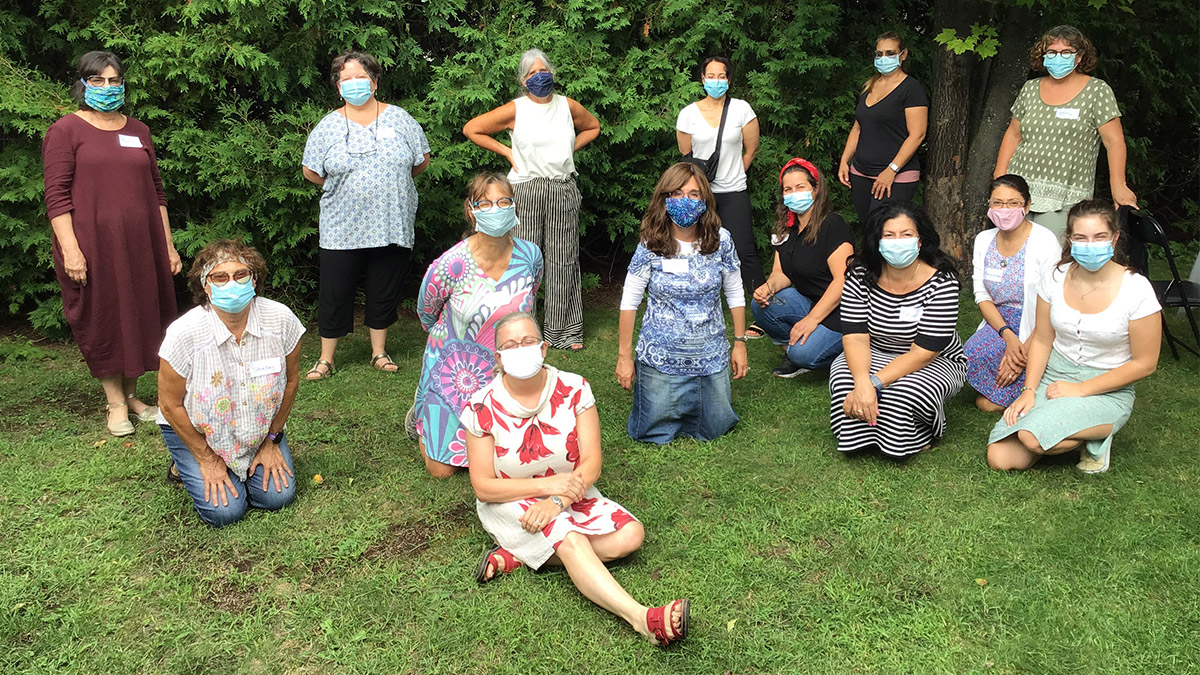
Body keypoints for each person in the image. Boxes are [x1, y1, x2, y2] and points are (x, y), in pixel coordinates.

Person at [463, 311, 689, 647]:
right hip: (512, 499)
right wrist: (546, 488)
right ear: (498, 357)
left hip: (572, 492)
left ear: (543, 349)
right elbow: (483, 485)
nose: (520, 349)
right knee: (569, 537)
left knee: (631, 536)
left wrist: (558, 500)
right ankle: (642, 619)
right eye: (510, 345)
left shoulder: (574, 388)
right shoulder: (481, 405)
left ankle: (521, 553)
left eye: (527, 341)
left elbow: (592, 463)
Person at [42, 50, 182, 438]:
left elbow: (157, 192)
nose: (107, 87)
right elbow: (56, 196)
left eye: (114, 80)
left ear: (123, 84)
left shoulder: (138, 130)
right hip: (93, 245)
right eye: (98, 80)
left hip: (142, 243)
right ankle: (115, 404)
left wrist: (167, 245)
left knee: (138, 314)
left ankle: (134, 396)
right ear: (83, 84)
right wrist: (71, 249)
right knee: (103, 316)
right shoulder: (66, 131)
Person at [987, 200, 1161, 473]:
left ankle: (1096, 434)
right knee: (1001, 457)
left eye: (1099, 237)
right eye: (1081, 238)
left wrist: (1079, 390)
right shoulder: (1055, 277)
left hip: (1107, 388)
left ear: (1115, 238)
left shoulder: (1137, 289)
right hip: (1054, 378)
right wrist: (1029, 391)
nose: (1090, 245)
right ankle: (1064, 431)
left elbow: (1145, 363)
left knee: (1030, 438)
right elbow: (1043, 340)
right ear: (1069, 239)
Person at [301, 51, 431, 380]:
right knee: (334, 291)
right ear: (337, 86)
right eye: (347, 79)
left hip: (391, 221)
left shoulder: (400, 119)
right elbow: (311, 171)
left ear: (374, 82)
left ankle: (379, 352)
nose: (355, 84)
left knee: (383, 288)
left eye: (361, 78)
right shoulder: (327, 126)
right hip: (342, 226)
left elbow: (420, 161)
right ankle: (326, 359)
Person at [157, 240, 303, 527]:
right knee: (226, 512)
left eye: (240, 275)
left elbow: (291, 382)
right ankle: (185, 462)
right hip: (199, 430)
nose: (231, 284)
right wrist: (207, 458)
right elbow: (169, 404)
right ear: (205, 286)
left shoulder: (282, 320)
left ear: (254, 279)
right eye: (219, 277)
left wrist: (272, 441)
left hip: (259, 430)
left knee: (277, 497)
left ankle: (241, 467)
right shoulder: (183, 334)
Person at [462, 48, 600, 351]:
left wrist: (568, 151)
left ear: (552, 73)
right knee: (522, 260)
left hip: (562, 187)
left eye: (544, 70)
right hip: (525, 189)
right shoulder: (516, 109)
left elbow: (593, 127)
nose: (540, 76)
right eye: (532, 73)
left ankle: (563, 332)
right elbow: (472, 128)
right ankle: (516, 331)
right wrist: (508, 152)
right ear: (524, 81)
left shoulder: (568, 106)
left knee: (564, 258)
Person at [411, 173, 544, 477]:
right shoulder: (449, 265)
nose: (495, 209)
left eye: (503, 202)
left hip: (504, 374)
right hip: (453, 371)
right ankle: (423, 414)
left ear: (514, 206)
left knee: (505, 465)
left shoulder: (531, 256)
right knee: (442, 472)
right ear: (471, 210)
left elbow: (526, 302)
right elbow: (426, 313)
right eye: (485, 203)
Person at [616, 162, 749, 443]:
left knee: (716, 428)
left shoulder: (721, 240)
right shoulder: (650, 242)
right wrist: (624, 356)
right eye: (676, 193)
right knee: (652, 432)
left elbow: (735, 292)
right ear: (664, 199)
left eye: (694, 194)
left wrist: (740, 343)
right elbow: (630, 300)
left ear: (705, 201)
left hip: (709, 354)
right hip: (660, 355)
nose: (684, 201)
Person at [829, 204, 967, 458]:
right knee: (845, 379)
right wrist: (861, 381)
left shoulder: (941, 281)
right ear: (876, 240)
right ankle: (862, 436)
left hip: (934, 357)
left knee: (905, 389)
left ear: (920, 240)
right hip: (875, 348)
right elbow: (855, 337)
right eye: (889, 235)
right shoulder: (860, 274)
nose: (898, 242)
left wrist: (873, 382)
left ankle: (916, 434)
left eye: (906, 234)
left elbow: (923, 353)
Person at [994, 25, 1137, 240]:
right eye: (1051, 52)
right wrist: (1000, 178)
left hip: (1065, 196)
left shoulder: (1097, 91)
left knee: (1054, 261)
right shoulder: (1030, 89)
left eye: (1066, 52)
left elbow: (1114, 141)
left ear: (1079, 57)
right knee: (1014, 257)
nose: (1057, 57)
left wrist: (1118, 185)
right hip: (1017, 193)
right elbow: (1014, 134)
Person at [675, 56, 765, 337]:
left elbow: (750, 149)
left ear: (729, 79)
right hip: (700, 196)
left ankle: (764, 312)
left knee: (745, 251)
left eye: (721, 75)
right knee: (695, 251)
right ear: (702, 79)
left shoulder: (741, 110)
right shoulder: (688, 113)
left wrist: (735, 173)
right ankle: (690, 308)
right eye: (711, 75)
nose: (716, 81)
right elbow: (686, 158)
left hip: (734, 191)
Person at [964, 175, 1061, 411]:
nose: (1004, 209)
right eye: (997, 203)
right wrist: (1007, 336)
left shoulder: (1044, 240)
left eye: (1013, 203)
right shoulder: (983, 240)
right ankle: (1010, 389)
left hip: (1041, 321)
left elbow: (1053, 300)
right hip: (1001, 322)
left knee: (989, 401)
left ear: (1027, 206)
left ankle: (1025, 387)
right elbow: (982, 295)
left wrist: (1023, 352)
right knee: (971, 354)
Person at [751, 158, 855, 378]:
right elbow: (781, 273)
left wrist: (811, 320)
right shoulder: (785, 228)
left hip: (843, 309)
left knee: (803, 355)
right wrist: (768, 287)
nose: (793, 193)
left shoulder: (833, 225)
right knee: (762, 304)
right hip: (809, 301)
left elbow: (843, 281)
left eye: (800, 187)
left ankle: (850, 347)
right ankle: (801, 346)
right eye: (788, 189)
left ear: (815, 190)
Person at [837, 32, 929, 226]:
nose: (884, 58)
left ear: (903, 55)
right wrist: (845, 160)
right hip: (861, 174)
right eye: (879, 54)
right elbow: (858, 128)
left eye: (890, 53)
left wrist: (891, 170)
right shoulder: (869, 86)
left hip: (895, 178)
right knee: (869, 234)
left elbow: (917, 134)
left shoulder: (911, 89)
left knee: (886, 233)